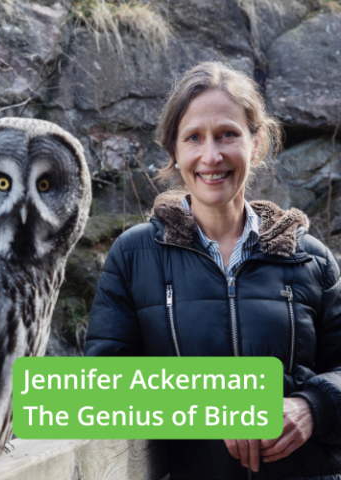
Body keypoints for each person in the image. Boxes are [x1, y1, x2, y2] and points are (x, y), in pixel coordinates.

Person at [84, 61, 341, 479]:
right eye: (194, 138)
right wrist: (217, 402)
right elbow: (102, 389)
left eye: (228, 135)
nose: (211, 155)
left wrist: (313, 405)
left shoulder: (310, 259)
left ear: (256, 144)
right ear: (174, 151)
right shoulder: (133, 255)